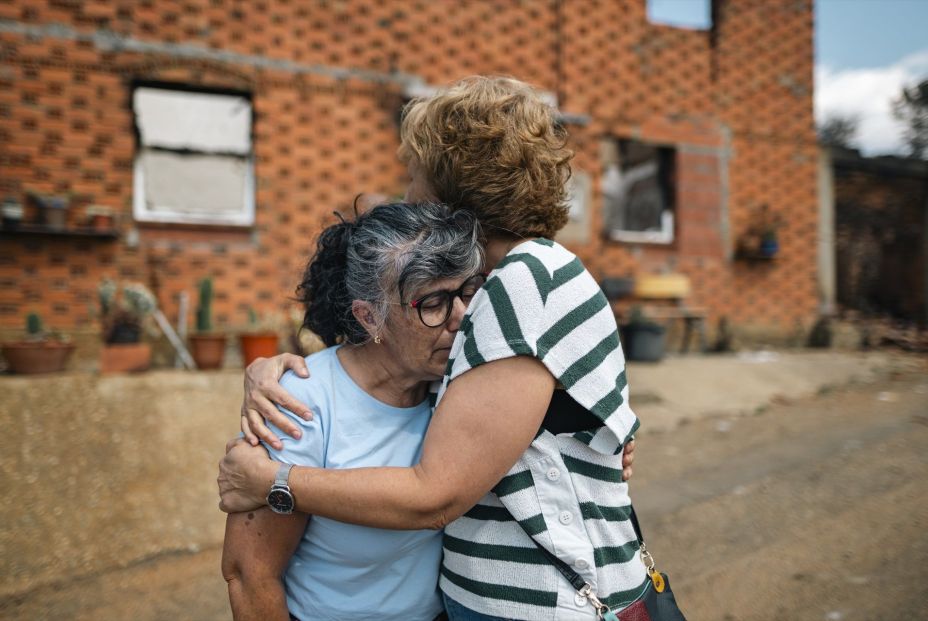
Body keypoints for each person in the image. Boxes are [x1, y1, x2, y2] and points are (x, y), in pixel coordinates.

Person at [220, 76, 646, 620]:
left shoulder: (523, 282)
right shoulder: (501, 287)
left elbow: (436, 493)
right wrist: (268, 371)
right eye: (438, 302)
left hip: (544, 604)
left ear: (452, 187)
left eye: (413, 176)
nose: (407, 194)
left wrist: (274, 482)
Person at [222, 200, 485, 621]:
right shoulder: (301, 402)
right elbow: (250, 573)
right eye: (433, 301)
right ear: (370, 318)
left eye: (468, 292)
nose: (461, 317)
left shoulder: (460, 383)